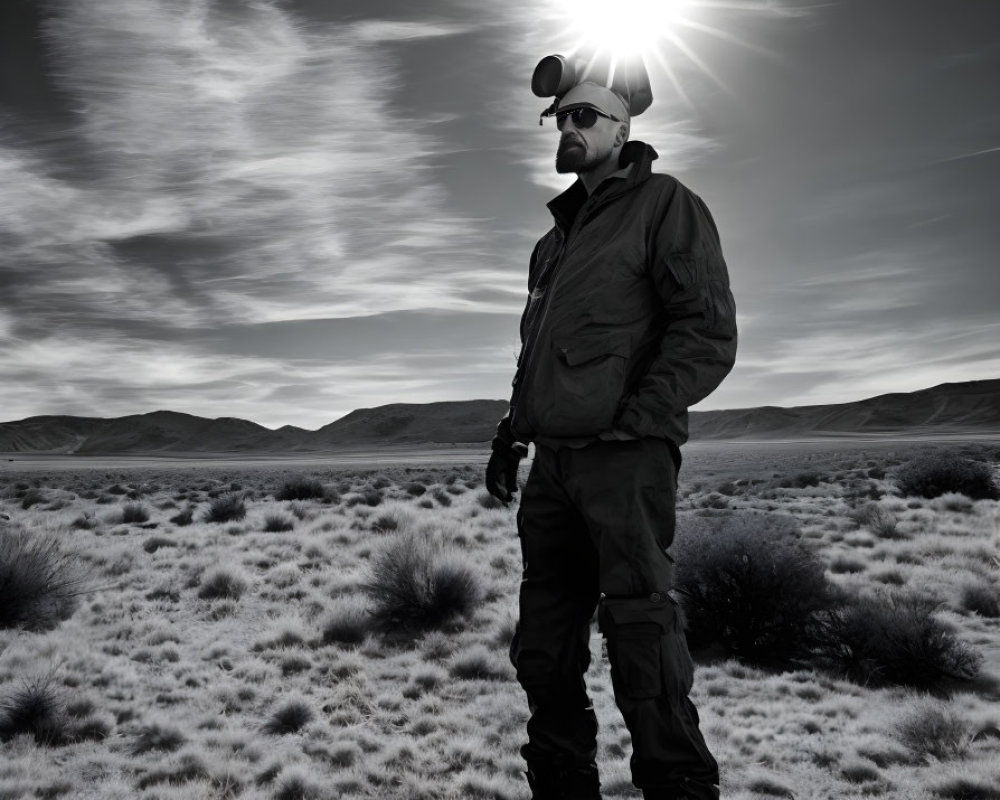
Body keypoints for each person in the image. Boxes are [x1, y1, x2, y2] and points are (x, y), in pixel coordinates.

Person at [485, 79, 737, 800]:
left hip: (625, 463)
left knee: (641, 641)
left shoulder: (666, 206)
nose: (568, 126)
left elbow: (706, 331)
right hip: (555, 470)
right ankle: (563, 784)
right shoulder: (552, 243)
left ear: (620, 130)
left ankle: (679, 785)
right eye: (560, 117)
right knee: (544, 646)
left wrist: (637, 418)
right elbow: (538, 352)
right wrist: (512, 435)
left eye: (584, 115)